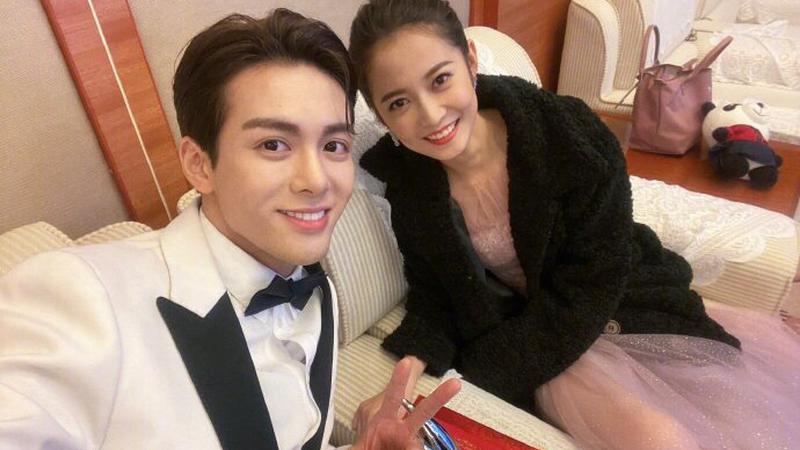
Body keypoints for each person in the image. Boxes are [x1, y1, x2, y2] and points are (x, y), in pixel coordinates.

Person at [348, 1, 800, 448]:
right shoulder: (411, 189)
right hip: (541, 338)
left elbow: (595, 277)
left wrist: (483, 369)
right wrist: (406, 375)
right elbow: (434, 294)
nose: (430, 115)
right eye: (399, 102)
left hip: (616, 302)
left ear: (469, 59)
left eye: (440, 80)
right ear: (381, 114)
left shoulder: (567, 135)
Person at [0, 9, 458, 449]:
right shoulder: (78, 295)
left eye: (333, 145)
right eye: (273, 144)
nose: (318, 180)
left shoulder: (317, 291)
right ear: (199, 165)